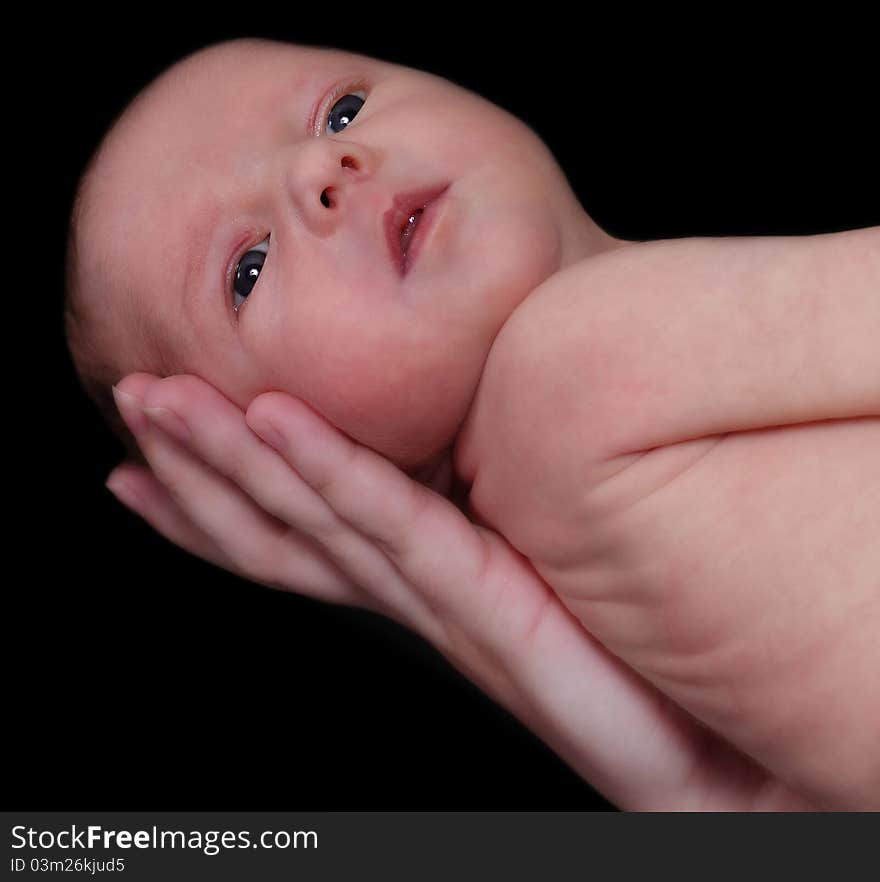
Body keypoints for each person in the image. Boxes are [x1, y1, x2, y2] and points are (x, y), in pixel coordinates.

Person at [66, 38, 879, 809]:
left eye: (341, 111)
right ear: (272, 465)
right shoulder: (562, 371)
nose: (323, 163)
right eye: (249, 268)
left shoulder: (616, 597)